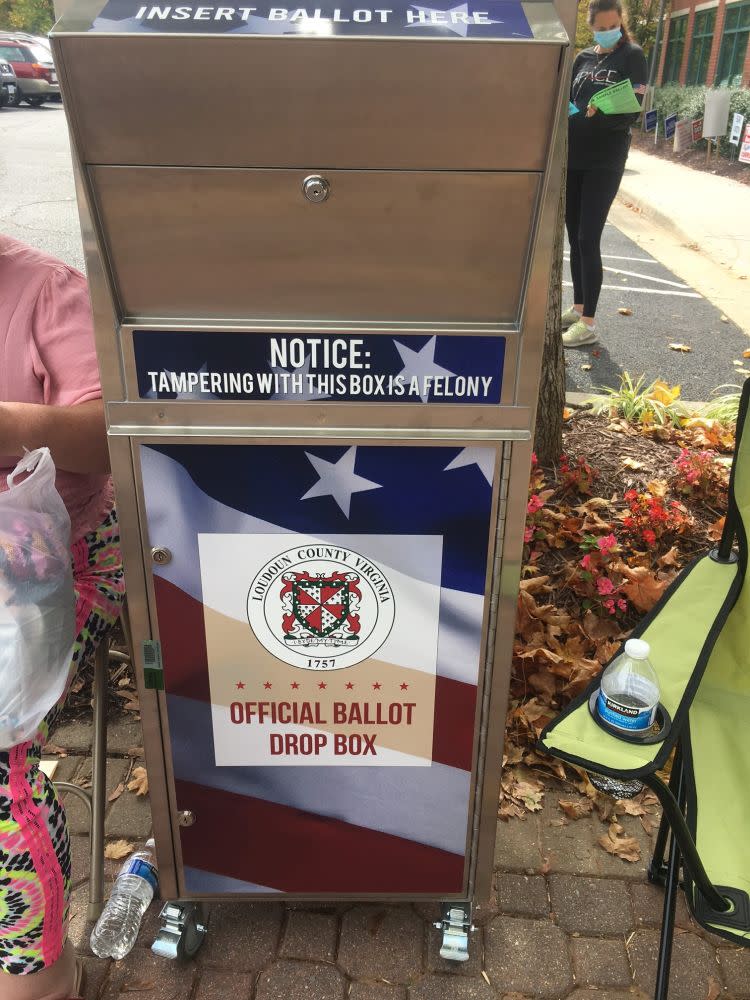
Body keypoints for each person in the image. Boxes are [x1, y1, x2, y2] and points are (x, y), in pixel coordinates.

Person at [0, 236, 124, 1000]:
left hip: (55, 557)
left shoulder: (48, 291)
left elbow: (116, 431)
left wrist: (16, 424)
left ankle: (39, 972)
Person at [562, 0, 648, 348]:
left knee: (588, 236)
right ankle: (578, 305)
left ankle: (589, 322)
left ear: (621, 22)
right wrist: (578, 114)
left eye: (612, 25)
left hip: (605, 160)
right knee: (573, 234)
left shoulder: (632, 56)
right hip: (574, 156)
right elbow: (566, 102)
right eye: (600, 27)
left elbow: (632, 110)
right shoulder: (582, 59)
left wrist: (600, 113)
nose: (607, 32)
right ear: (591, 26)